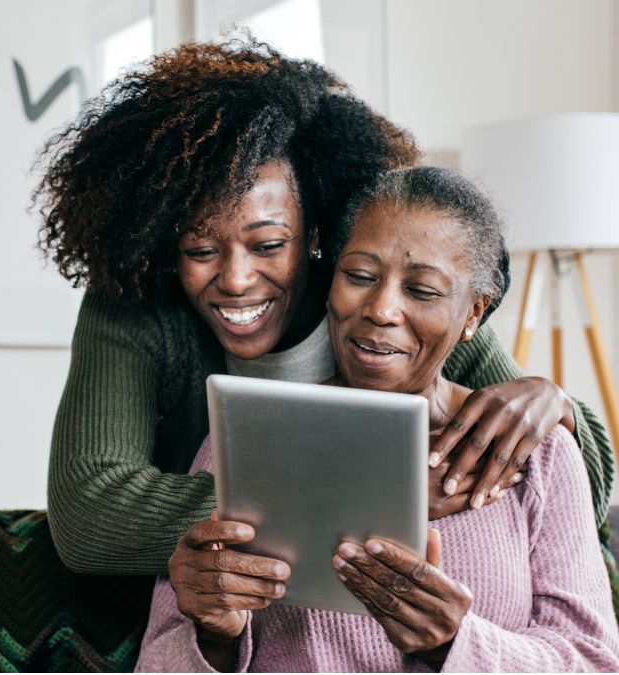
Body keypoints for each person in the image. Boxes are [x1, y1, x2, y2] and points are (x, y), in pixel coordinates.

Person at [35, 38, 615, 581]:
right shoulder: (136, 301)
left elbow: (580, 492)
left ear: (316, 233)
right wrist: (374, 494)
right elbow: (90, 518)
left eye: (269, 245)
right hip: (213, 604)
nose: (236, 279)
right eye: (201, 250)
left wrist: (555, 404)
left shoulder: (393, 302)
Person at [137, 167, 619, 672]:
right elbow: (156, 665)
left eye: (423, 290)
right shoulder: (248, 434)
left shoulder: (540, 454)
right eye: (360, 277)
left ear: (474, 313)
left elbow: (593, 663)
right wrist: (213, 638)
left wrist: (455, 644)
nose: (381, 309)